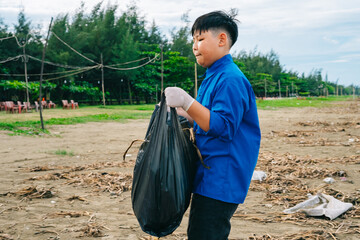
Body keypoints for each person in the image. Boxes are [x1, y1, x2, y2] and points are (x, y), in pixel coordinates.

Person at [164, 10, 261, 239]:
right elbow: (206, 119)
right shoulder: (213, 76)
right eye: (193, 41)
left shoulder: (230, 79)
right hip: (208, 174)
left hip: (221, 178)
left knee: (205, 233)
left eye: (200, 39)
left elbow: (223, 126)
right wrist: (182, 112)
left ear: (221, 40)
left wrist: (187, 101)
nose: (194, 46)